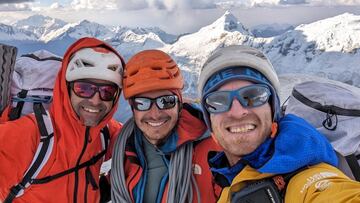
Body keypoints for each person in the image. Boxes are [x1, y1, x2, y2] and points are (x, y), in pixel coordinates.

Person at [198, 45, 360, 202]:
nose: (238, 112)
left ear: (273, 109)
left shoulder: (308, 180)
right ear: (209, 121)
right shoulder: (231, 180)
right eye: (218, 101)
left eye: (254, 95)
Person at [0, 37, 126, 203]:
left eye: (107, 91)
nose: (95, 100)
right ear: (66, 89)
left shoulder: (104, 132)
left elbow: (141, 142)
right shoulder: (26, 136)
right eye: (84, 89)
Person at [111, 50, 221, 203]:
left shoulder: (216, 151)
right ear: (132, 107)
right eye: (142, 103)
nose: (155, 114)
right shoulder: (125, 148)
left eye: (166, 101)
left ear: (179, 102)